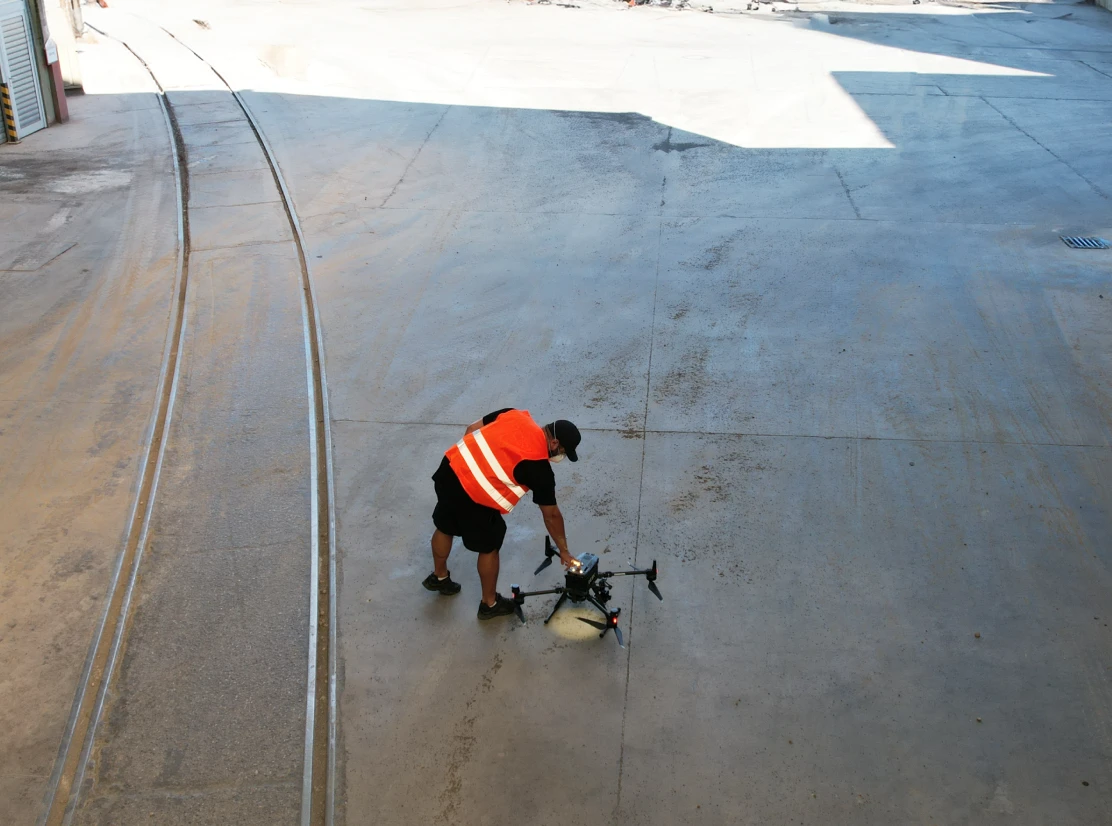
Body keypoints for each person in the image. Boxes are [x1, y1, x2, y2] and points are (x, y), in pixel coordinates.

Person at [423, 408, 582, 620]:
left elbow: (471, 428)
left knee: (445, 525)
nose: (560, 456)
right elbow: (551, 515)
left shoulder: (516, 415)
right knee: (490, 544)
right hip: (475, 497)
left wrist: (469, 467)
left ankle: (439, 577)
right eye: (562, 451)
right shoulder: (540, 469)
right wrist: (564, 550)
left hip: (451, 469)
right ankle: (490, 604)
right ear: (554, 444)